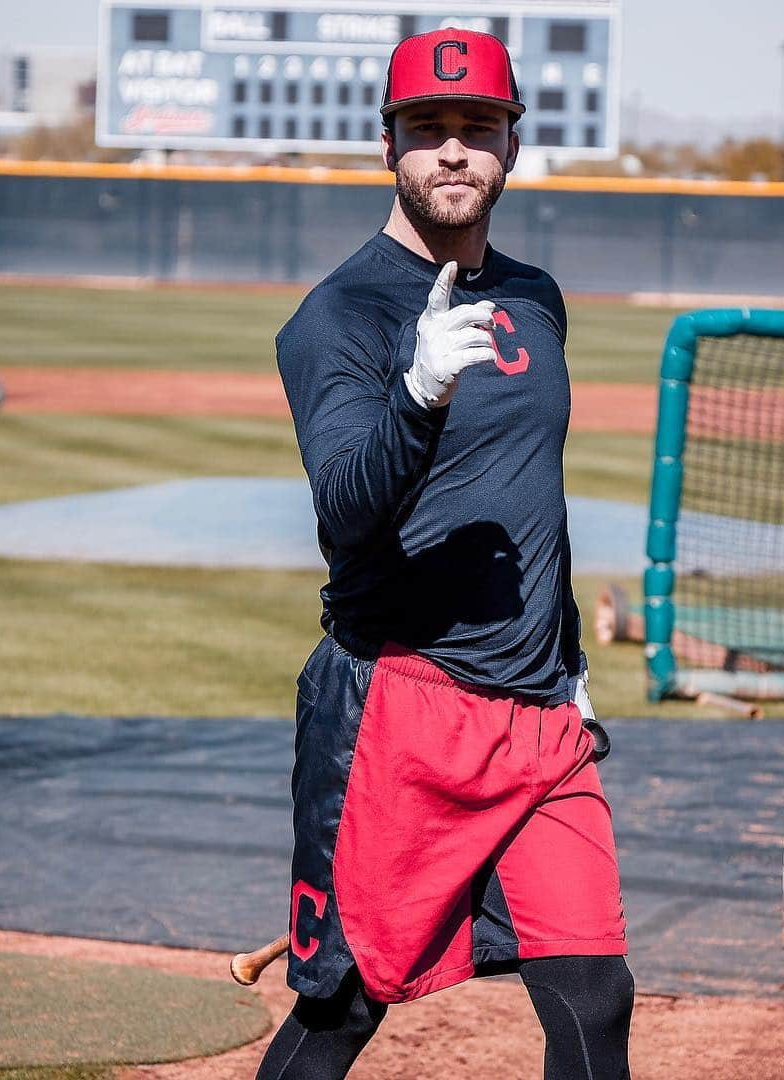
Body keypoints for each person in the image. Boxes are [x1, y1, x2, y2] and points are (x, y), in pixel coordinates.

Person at [258, 29, 633, 1080]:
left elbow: (529, 500)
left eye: (479, 128)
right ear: (389, 146)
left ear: (513, 145)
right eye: (429, 129)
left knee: (596, 996)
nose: (454, 151)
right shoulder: (340, 316)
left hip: (539, 717)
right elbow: (344, 509)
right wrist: (416, 397)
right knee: (343, 1009)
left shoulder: (535, 297)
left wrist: (571, 668)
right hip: (400, 711)